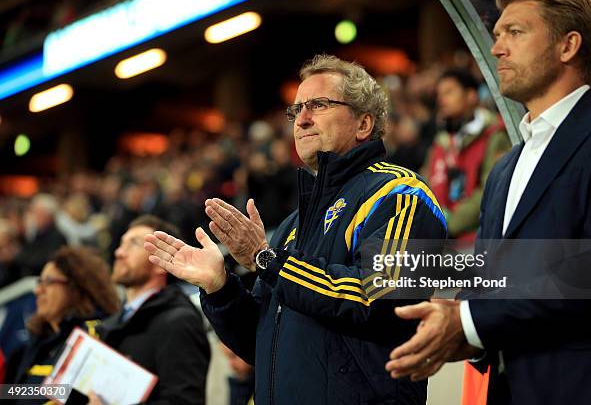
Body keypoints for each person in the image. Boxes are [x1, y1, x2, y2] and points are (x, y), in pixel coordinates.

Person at [145, 54, 447, 404]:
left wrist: (266, 259)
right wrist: (220, 287)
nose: (301, 120)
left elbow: (377, 301)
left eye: (318, 105)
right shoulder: (293, 225)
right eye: (296, 109)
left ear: (364, 124)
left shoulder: (402, 194)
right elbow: (261, 344)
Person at [385, 0, 591, 404]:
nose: (496, 48)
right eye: (496, 35)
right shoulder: (505, 170)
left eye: (515, 33)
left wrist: (468, 321)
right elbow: (498, 278)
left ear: (568, 46)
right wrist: (458, 331)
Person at [94, 215, 210, 405]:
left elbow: (184, 401)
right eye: (121, 244)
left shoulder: (178, 321)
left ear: (161, 262)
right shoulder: (113, 321)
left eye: (133, 244)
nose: (119, 252)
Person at [5, 246, 119, 389]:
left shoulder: (94, 335)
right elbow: (14, 393)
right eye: (39, 282)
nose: (38, 290)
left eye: (48, 281)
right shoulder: (38, 339)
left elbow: (71, 395)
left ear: (76, 287)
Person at [422, 69, 510, 241]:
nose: (441, 100)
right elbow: (426, 183)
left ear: (471, 96)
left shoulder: (494, 134)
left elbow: (491, 190)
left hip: (477, 240)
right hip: (442, 242)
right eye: (439, 94)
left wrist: (449, 224)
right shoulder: (441, 142)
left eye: (449, 92)